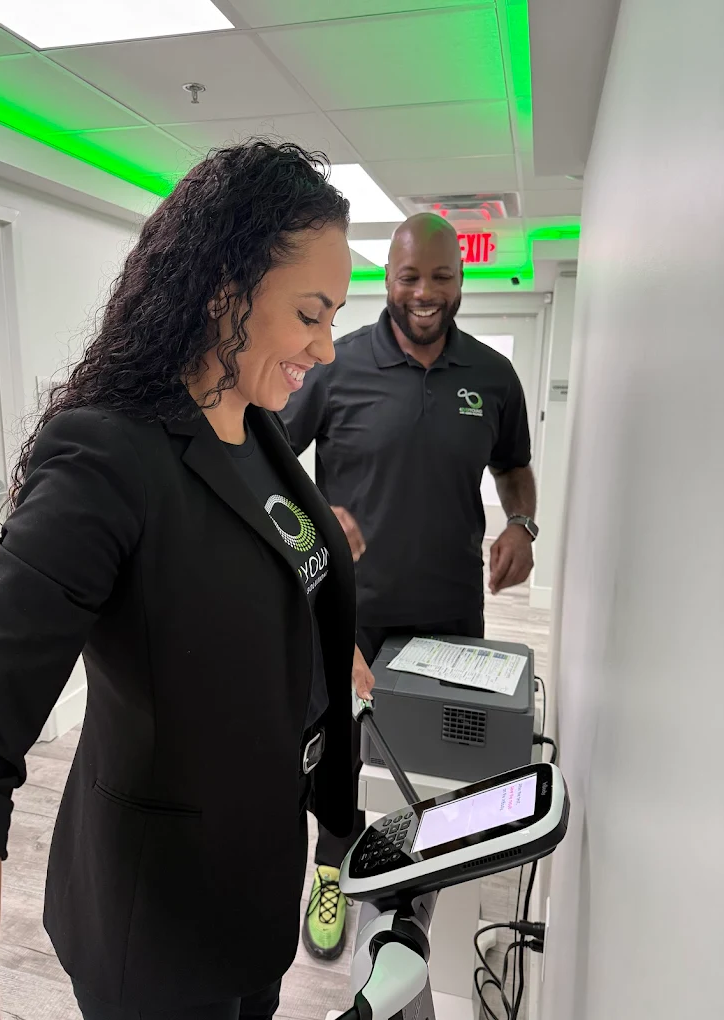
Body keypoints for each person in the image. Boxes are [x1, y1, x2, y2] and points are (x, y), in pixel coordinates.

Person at [0, 141, 361, 1020]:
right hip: (156, 924)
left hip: (256, 886)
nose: (326, 348)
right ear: (224, 289)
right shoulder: (107, 455)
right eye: (310, 314)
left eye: (333, 317)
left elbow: (245, 572)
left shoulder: (253, 423)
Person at [281, 212, 538, 961]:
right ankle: (332, 866)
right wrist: (313, 514)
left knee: (438, 764)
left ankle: (417, 878)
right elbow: (266, 457)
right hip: (348, 613)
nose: (424, 292)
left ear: (460, 280)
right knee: (337, 755)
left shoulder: (491, 375)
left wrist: (521, 523)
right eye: (409, 277)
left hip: (449, 617)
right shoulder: (334, 366)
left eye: (440, 276)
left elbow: (513, 465)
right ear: (386, 279)